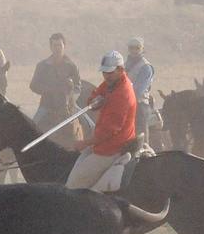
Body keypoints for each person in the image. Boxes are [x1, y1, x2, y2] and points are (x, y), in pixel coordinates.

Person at [66, 51, 137, 189]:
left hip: (112, 148)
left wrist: (85, 143)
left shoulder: (122, 94)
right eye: (104, 72)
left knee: (72, 187)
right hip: (104, 144)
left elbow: (108, 131)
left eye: (110, 72)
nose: (106, 76)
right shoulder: (111, 83)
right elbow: (95, 95)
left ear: (121, 70)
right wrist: (94, 101)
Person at [29, 33, 83, 147]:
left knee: (91, 125)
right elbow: (33, 85)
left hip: (68, 106)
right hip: (47, 105)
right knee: (31, 129)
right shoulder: (42, 66)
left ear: (64, 46)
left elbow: (78, 86)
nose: (57, 48)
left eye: (59, 45)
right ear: (50, 47)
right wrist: (47, 90)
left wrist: (72, 97)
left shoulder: (71, 66)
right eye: (54, 45)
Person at [124, 38, 156, 150]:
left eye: (137, 48)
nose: (134, 50)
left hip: (139, 104)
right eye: (131, 48)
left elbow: (138, 90)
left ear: (142, 49)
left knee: (139, 135)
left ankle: (144, 150)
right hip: (124, 103)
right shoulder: (124, 65)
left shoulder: (146, 67)